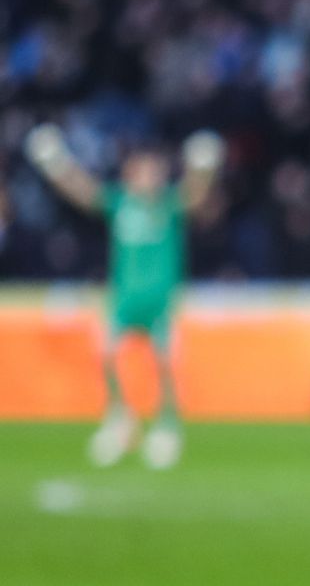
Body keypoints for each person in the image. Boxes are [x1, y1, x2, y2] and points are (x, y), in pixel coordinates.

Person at [24, 124, 225, 469]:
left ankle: (167, 425)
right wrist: (55, 163)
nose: (148, 176)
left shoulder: (167, 205)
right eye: (142, 170)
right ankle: (121, 419)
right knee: (105, 354)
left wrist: (203, 168)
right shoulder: (121, 204)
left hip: (159, 302)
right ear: (130, 173)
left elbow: (196, 194)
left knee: (165, 363)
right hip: (124, 300)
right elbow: (82, 191)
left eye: (154, 170)